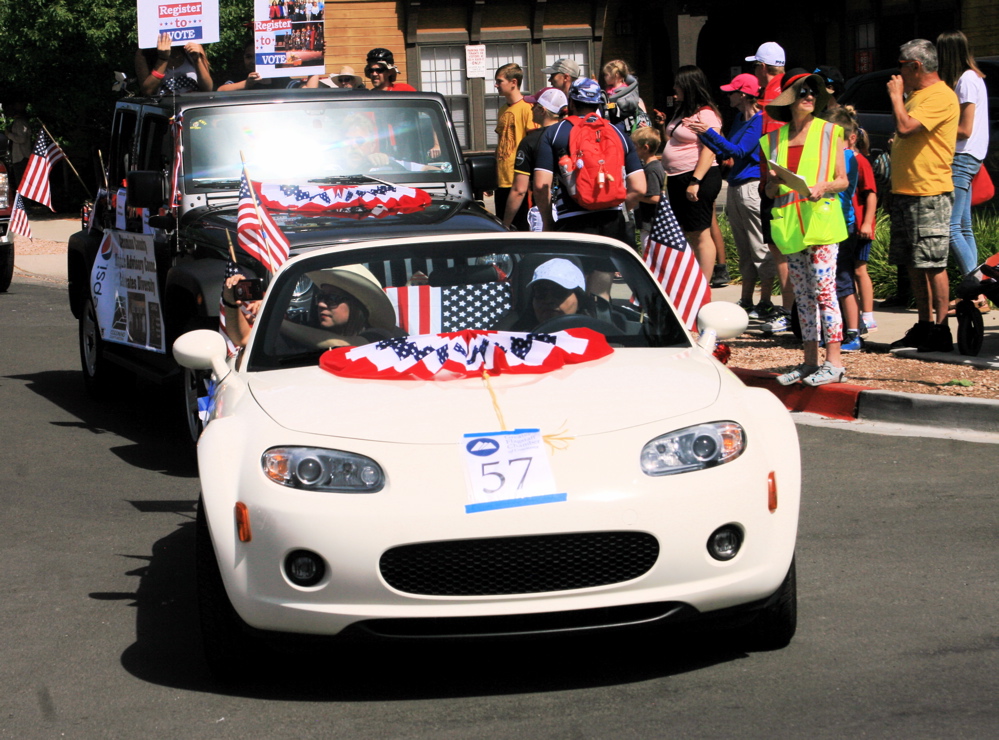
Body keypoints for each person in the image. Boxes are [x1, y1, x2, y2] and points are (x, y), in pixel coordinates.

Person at [760, 72, 850, 386]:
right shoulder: (772, 140)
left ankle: (834, 363)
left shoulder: (830, 132)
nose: (809, 96)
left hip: (821, 223)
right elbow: (769, 189)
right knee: (803, 296)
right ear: (789, 100)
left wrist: (822, 186)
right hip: (790, 226)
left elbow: (843, 179)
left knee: (825, 293)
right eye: (802, 92)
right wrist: (773, 186)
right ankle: (810, 362)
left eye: (813, 92)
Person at [887, 39, 960, 353]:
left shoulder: (941, 96)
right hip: (906, 190)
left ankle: (941, 330)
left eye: (902, 65)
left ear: (915, 66)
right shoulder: (918, 96)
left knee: (932, 263)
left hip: (929, 192)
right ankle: (924, 324)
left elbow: (905, 127)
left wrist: (894, 97)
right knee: (914, 264)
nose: (899, 72)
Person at [687, 72, 776, 318]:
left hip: (751, 186)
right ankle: (747, 300)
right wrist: (702, 133)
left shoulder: (759, 120)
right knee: (744, 247)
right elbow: (723, 151)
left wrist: (709, 132)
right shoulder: (739, 118)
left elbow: (738, 150)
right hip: (737, 186)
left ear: (744, 95)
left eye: (732, 92)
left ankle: (766, 301)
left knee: (759, 247)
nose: (728, 95)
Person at [532, 77, 646, 247]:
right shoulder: (617, 133)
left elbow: (542, 186)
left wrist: (548, 223)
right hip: (612, 222)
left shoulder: (554, 133)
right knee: (605, 272)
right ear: (599, 103)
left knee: (574, 271)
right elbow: (639, 187)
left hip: (571, 220)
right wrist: (615, 205)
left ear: (571, 102)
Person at [747, 42, 796, 332]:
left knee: (781, 251)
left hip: (777, 185)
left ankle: (788, 312)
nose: (756, 71)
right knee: (785, 251)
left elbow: (774, 147)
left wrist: (772, 185)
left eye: (756, 66)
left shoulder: (775, 93)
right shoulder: (787, 88)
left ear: (763, 67)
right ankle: (792, 311)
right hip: (784, 183)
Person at [937, 30, 990, 280]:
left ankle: (977, 285)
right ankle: (981, 287)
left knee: (951, 228)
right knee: (964, 227)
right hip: (970, 156)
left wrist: (934, 130)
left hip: (962, 157)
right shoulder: (974, 77)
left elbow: (965, 129)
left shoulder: (966, 81)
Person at [665, 65, 723, 277]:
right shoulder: (684, 112)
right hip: (678, 178)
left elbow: (711, 149)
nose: (674, 88)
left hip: (698, 178)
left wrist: (695, 180)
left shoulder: (706, 114)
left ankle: (704, 285)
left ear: (689, 86)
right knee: (688, 232)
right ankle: (694, 278)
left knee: (700, 233)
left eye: (678, 84)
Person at [822, 106, 863, 351]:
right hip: (830, 223)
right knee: (832, 280)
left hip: (842, 224)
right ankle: (837, 330)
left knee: (843, 280)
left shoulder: (847, 157)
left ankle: (853, 333)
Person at [282, 264, 400, 349]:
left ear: (357, 305)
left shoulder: (382, 335)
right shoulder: (315, 329)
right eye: (321, 297)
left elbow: (346, 345)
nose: (321, 304)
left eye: (332, 299)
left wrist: (280, 323)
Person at [503, 87, 567, 230]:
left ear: (542, 110)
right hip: (571, 211)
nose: (530, 109)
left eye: (534, 106)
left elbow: (519, 190)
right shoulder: (570, 134)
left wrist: (505, 224)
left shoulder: (530, 141)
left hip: (544, 213)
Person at [494, 63, 538, 232]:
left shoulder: (528, 108)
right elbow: (500, 143)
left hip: (521, 180)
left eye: (499, 81)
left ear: (513, 82)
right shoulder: (502, 110)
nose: (496, 85)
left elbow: (534, 143)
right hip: (503, 180)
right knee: (504, 230)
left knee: (521, 229)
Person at [510, 258, 593, 330]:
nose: (548, 300)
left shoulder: (598, 339)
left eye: (559, 292)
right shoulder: (515, 341)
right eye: (541, 292)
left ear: (580, 300)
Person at [852, 126, 879, 333]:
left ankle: (868, 314)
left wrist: (867, 223)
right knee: (846, 273)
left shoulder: (861, 161)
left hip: (860, 225)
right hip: (845, 225)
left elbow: (871, 194)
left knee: (860, 270)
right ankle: (853, 313)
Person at [218, 42, 319, 91]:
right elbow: (220, 91)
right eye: (249, 56)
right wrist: (246, 84)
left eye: (258, 56)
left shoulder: (281, 80)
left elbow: (309, 91)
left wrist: (317, 59)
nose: (253, 61)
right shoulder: (239, 79)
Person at [136, 32, 213, 96]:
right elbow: (147, 91)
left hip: (193, 107)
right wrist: (163, 59)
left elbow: (207, 88)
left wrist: (197, 60)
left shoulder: (194, 46)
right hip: (166, 111)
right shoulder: (145, 53)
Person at [630, 126, 664, 248]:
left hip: (651, 225)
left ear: (645, 148)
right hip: (651, 224)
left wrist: (634, 196)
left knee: (649, 256)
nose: (633, 149)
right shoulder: (654, 166)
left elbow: (655, 197)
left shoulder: (651, 169)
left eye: (635, 146)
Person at [602, 59, 649, 132]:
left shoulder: (625, 93)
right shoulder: (609, 90)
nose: (604, 77)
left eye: (606, 75)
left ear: (616, 75)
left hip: (624, 129)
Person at [3, 101, 31, 190]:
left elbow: (22, 139)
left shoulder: (20, 122)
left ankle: (24, 203)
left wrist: (9, 134)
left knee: (22, 184)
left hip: (21, 157)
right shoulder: (19, 122)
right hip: (20, 157)